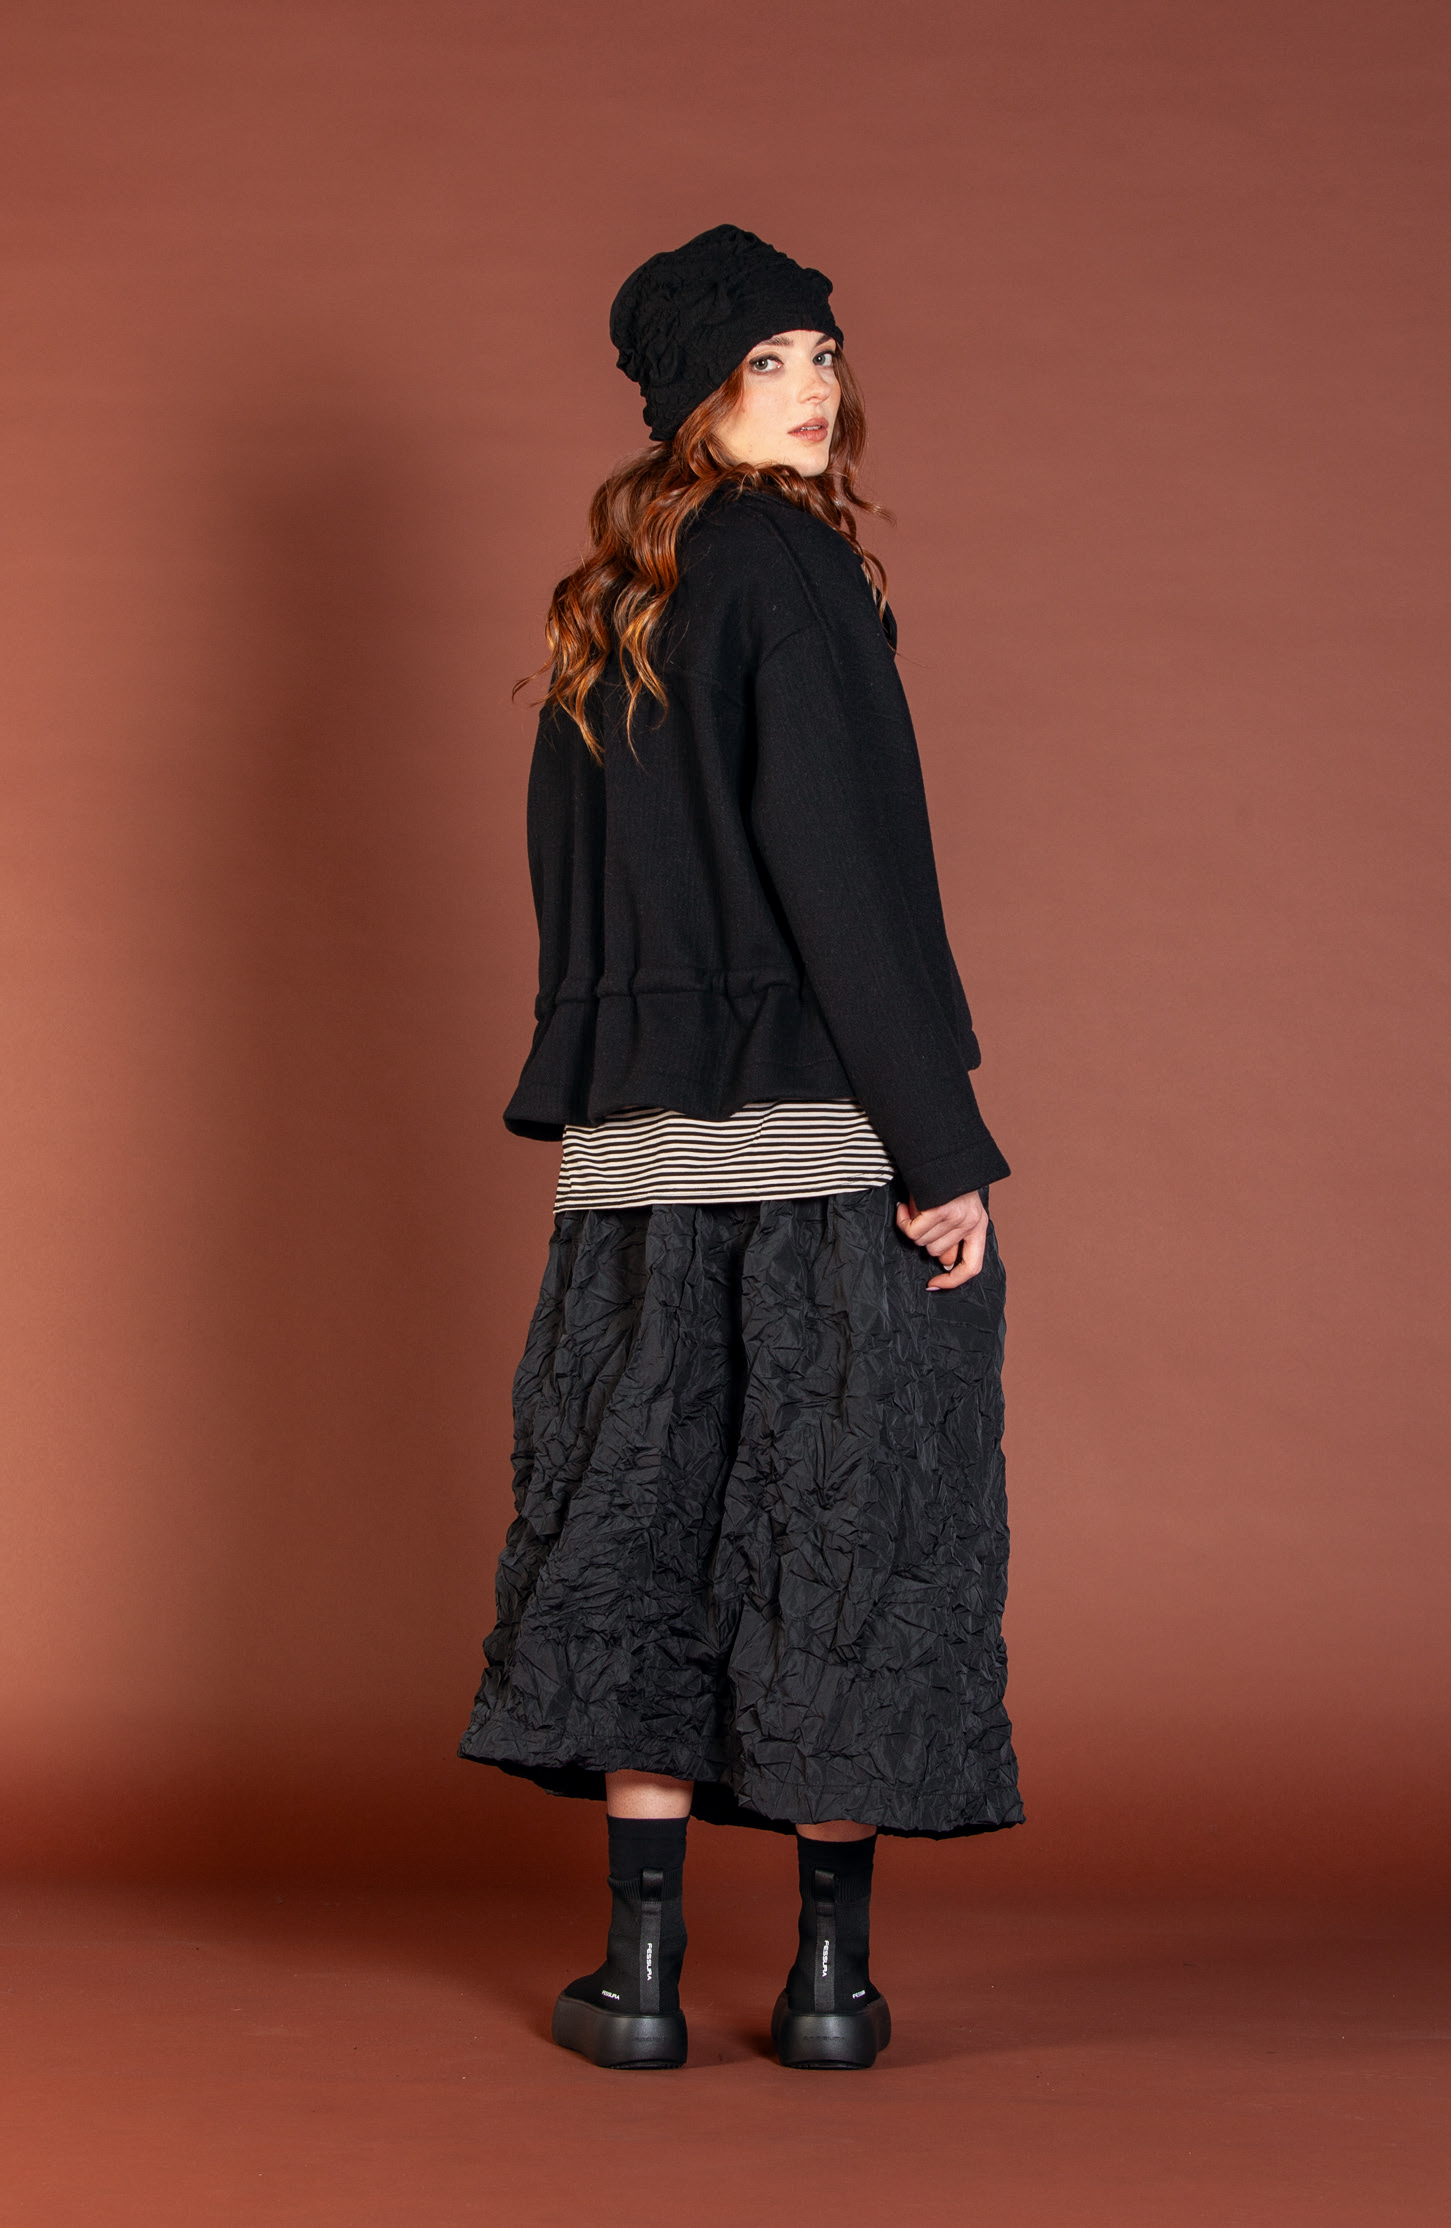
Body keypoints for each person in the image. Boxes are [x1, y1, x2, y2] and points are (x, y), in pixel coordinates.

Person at [459, 222, 1022, 2071]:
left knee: (641, 1534)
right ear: (692, 393)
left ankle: (638, 1981)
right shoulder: (794, 571)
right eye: (770, 362)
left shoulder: (609, 597)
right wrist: (938, 1146)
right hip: (810, 1152)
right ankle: (829, 1985)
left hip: (632, 1170)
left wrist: (612, 1087)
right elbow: (843, 879)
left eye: (823, 357)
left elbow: (574, 902)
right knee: (840, 1533)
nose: (811, 390)